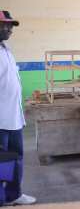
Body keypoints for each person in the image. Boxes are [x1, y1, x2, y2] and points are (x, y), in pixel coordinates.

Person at [0, 10, 36, 205]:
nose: (9, 29)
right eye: (5, 25)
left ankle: (14, 194)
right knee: (1, 160)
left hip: (14, 119)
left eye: (11, 25)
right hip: (1, 121)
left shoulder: (6, 50)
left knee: (15, 158)